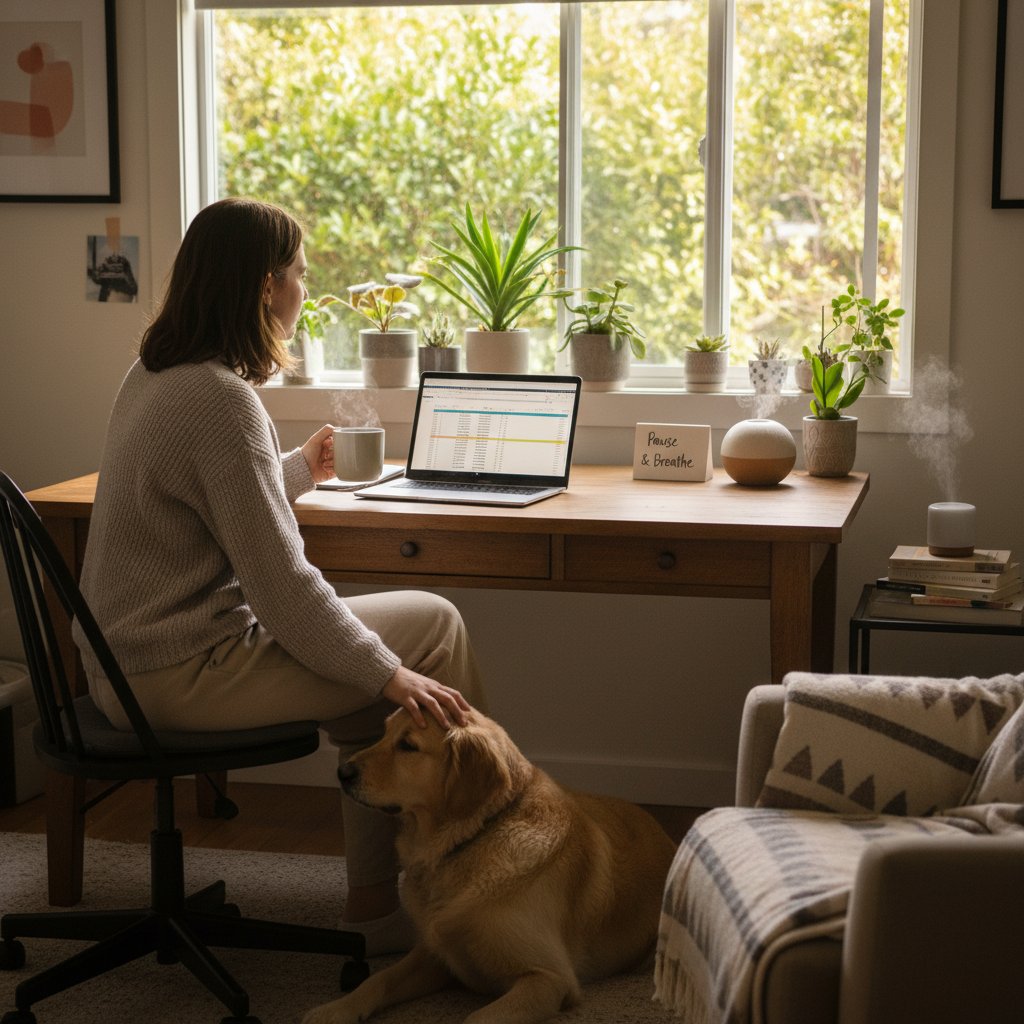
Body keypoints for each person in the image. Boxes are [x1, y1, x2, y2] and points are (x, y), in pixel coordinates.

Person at [73, 196, 485, 955]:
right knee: (433, 628)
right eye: (298, 272)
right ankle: (465, 885)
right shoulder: (222, 400)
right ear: (265, 287)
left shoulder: (156, 373)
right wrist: (388, 673)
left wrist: (294, 469)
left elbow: (207, 505)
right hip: (177, 674)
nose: (304, 286)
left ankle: (379, 906)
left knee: (385, 668)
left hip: (121, 668)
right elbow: (281, 586)